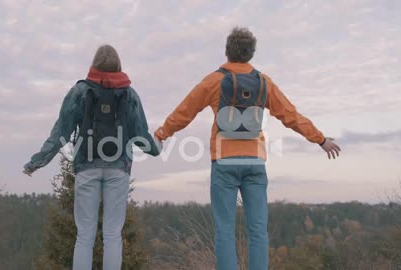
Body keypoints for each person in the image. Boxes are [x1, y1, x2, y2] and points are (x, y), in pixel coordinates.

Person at [154, 27, 341, 270]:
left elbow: (185, 111)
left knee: (224, 231)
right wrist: (320, 139)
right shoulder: (263, 82)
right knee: (258, 231)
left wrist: (161, 135)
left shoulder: (214, 81)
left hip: (224, 163)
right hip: (254, 163)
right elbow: (290, 115)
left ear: (227, 51)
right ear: (251, 53)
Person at [23, 45, 160, 270]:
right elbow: (141, 135)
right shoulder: (129, 93)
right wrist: (157, 148)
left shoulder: (80, 91)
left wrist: (35, 162)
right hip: (119, 168)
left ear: (94, 65)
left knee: (85, 235)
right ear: (118, 66)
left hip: (86, 165)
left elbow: (60, 134)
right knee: (112, 235)